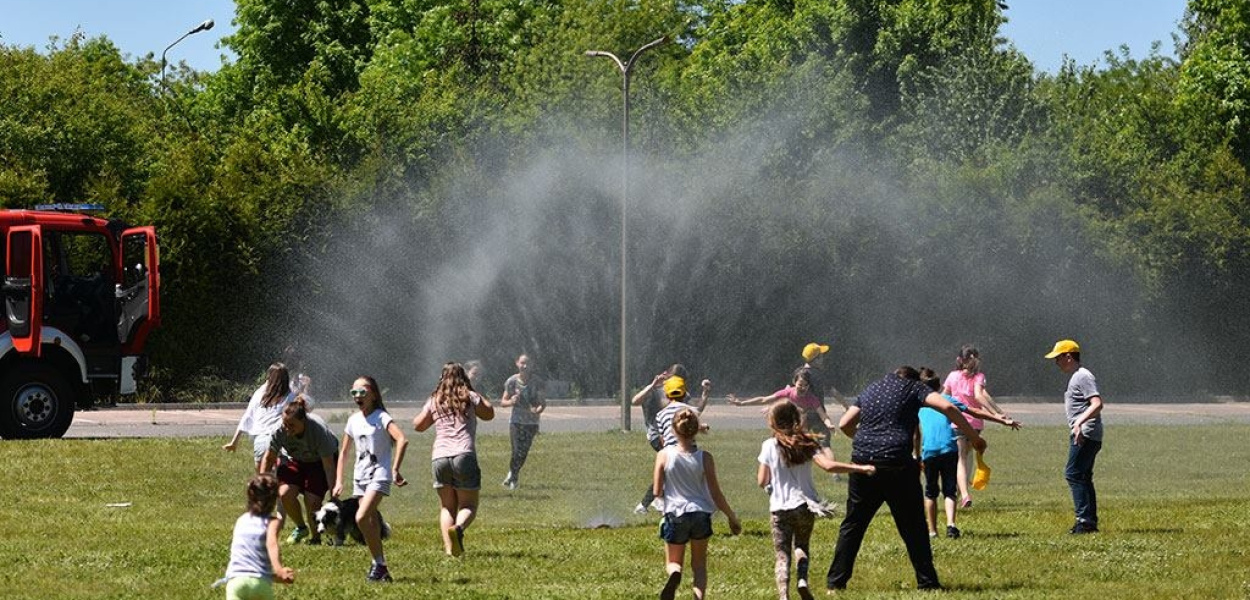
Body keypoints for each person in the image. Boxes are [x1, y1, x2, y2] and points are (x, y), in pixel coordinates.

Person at [826, 366, 986, 592]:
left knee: (853, 524)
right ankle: (927, 583)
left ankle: (835, 584)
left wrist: (866, 439)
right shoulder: (914, 387)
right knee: (914, 526)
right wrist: (974, 438)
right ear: (914, 380)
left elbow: (844, 424)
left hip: (863, 464)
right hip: (897, 464)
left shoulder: (872, 389)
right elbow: (948, 406)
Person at [757, 401, 876, 600]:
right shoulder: (807, 443)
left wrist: (771, 484)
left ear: (774, 422)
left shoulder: (769, 445)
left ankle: (784, 595)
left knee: (782, 554)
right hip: (805, 506)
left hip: (779, 508)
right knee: (801, 546)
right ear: (797, 419)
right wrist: (859, 468)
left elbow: (762, 480)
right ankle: (802, 580)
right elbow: (828, 466)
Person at [916, 368, 1019, 540]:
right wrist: (1001, 419)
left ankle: (932, 532)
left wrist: (916, 454)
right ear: (940, 385)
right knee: (949, 491)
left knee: (930, 492)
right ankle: (951, 525)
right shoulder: (947, 399)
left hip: (930, 452)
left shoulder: (918, 404)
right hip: (949, 449)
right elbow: (975, 412)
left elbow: (914, 433)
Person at [653, 408, 741, 600]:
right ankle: (698, 597)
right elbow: (716, 494)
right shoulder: (705, 458)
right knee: (699, 565)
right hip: (701, 514)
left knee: (673, 562)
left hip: (675, 515)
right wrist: (731, 517)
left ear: (674, 430)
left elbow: (657, 491)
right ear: (696, 431)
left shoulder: (664, 455)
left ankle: (675, 574)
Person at [413, 362, 496, 557]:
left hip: (439, 457)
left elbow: (418, 425)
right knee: (468, 505)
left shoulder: (435, 399)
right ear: (464, 377)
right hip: (464, 455)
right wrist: (473, 392)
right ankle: (458, 528)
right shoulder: (469, 396)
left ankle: (450, 550)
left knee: (447, 506)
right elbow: (489, 414)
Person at [333, 376, 408, 582]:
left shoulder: (381, 417)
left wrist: (395, 468)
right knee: (372, 522)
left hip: (379, 475)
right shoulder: (353, 420)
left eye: (362, 392)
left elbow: (402, 439)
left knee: (361, 518)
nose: (358, 396)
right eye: (354, 392)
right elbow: (344, 452)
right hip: (360, 478)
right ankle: (380, 566)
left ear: (374, 395)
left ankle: (379, 565)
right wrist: (339, 480)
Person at [259, 396, 339, 545]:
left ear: (303, 421)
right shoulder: (279, 430)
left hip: (319, 462)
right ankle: (301, 528)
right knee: (284, 493)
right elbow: (269, 458)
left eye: (291, 425)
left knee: (312, 501)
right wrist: (262, 483)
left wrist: (334, 495)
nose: (287, 428)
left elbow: (328, 466)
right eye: (285, 424)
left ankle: (316, 537)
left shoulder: (318, 430)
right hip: (294, 459)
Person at [1045, 339, 1104, 534]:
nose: (1056, 363)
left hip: (1085, 433)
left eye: (1058, 358)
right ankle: (1089, 521)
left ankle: (1084, 521)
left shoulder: (1082, 376)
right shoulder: (1077, 376)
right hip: (1087, 432)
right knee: (1084, 476)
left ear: (1068, 357)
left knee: (1073, 474)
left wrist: (1079, 423)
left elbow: (1097, 404)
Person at [941, 345, 1010, 508]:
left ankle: (963, 494)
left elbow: (944, 396)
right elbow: (980, 396)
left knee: (961, 459)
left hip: (957, 422)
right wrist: (997, 413)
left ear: (959, 360)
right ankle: (961, 490)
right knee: (967, 458)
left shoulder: (952, 376)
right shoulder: (979, 377)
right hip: (975, 424)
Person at [632, 363, 706, 514]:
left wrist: (705, 393)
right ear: (667, 375)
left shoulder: (681, 393)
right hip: (657, 436)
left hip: (678, 434)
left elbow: (695, 411)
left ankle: (657, 501)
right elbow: (635, 401)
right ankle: (649, 503)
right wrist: (652, 385)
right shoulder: (657, 390)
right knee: (669, 467)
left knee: (672, 467)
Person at [218, 473, 294, 600]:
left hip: (236, 582)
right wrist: (279, 570)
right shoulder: (272, 522)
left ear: (250, 495)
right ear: (275, 498)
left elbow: (246, 566)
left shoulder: (241, 520)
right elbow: (272, 544)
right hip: (260, 585)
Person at [730, 371, 837, 460]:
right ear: (794, 383)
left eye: (806, 385)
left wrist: (829, 424)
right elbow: (764, 399)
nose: (803, 388)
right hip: (788, 424)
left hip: (801, 424)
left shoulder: (811, 399)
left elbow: (823, 415)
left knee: (806, 446)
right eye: (800, 384)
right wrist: (741, 403)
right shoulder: (788, 392)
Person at [224, 363, 298, 470]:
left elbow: (247, 416)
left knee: (263, 481)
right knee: (283, 477)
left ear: (269, 377)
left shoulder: (260, 393)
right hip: (281, 441)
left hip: (261, 441)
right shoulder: (290, 396)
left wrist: (234, 442)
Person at [499, 354, 546, 489]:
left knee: (523, 451)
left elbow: (542, 403)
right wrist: (511, 401)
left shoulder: (538, 382)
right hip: (516, 421)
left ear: (532, 366)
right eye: (522, 363)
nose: (524, 366)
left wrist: (537, 410)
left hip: (531, 423)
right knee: (516, 450)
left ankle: (512, 473)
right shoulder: (511, 381)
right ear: (517, 363)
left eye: (528, 364)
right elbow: (503, 402)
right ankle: (514, 479)